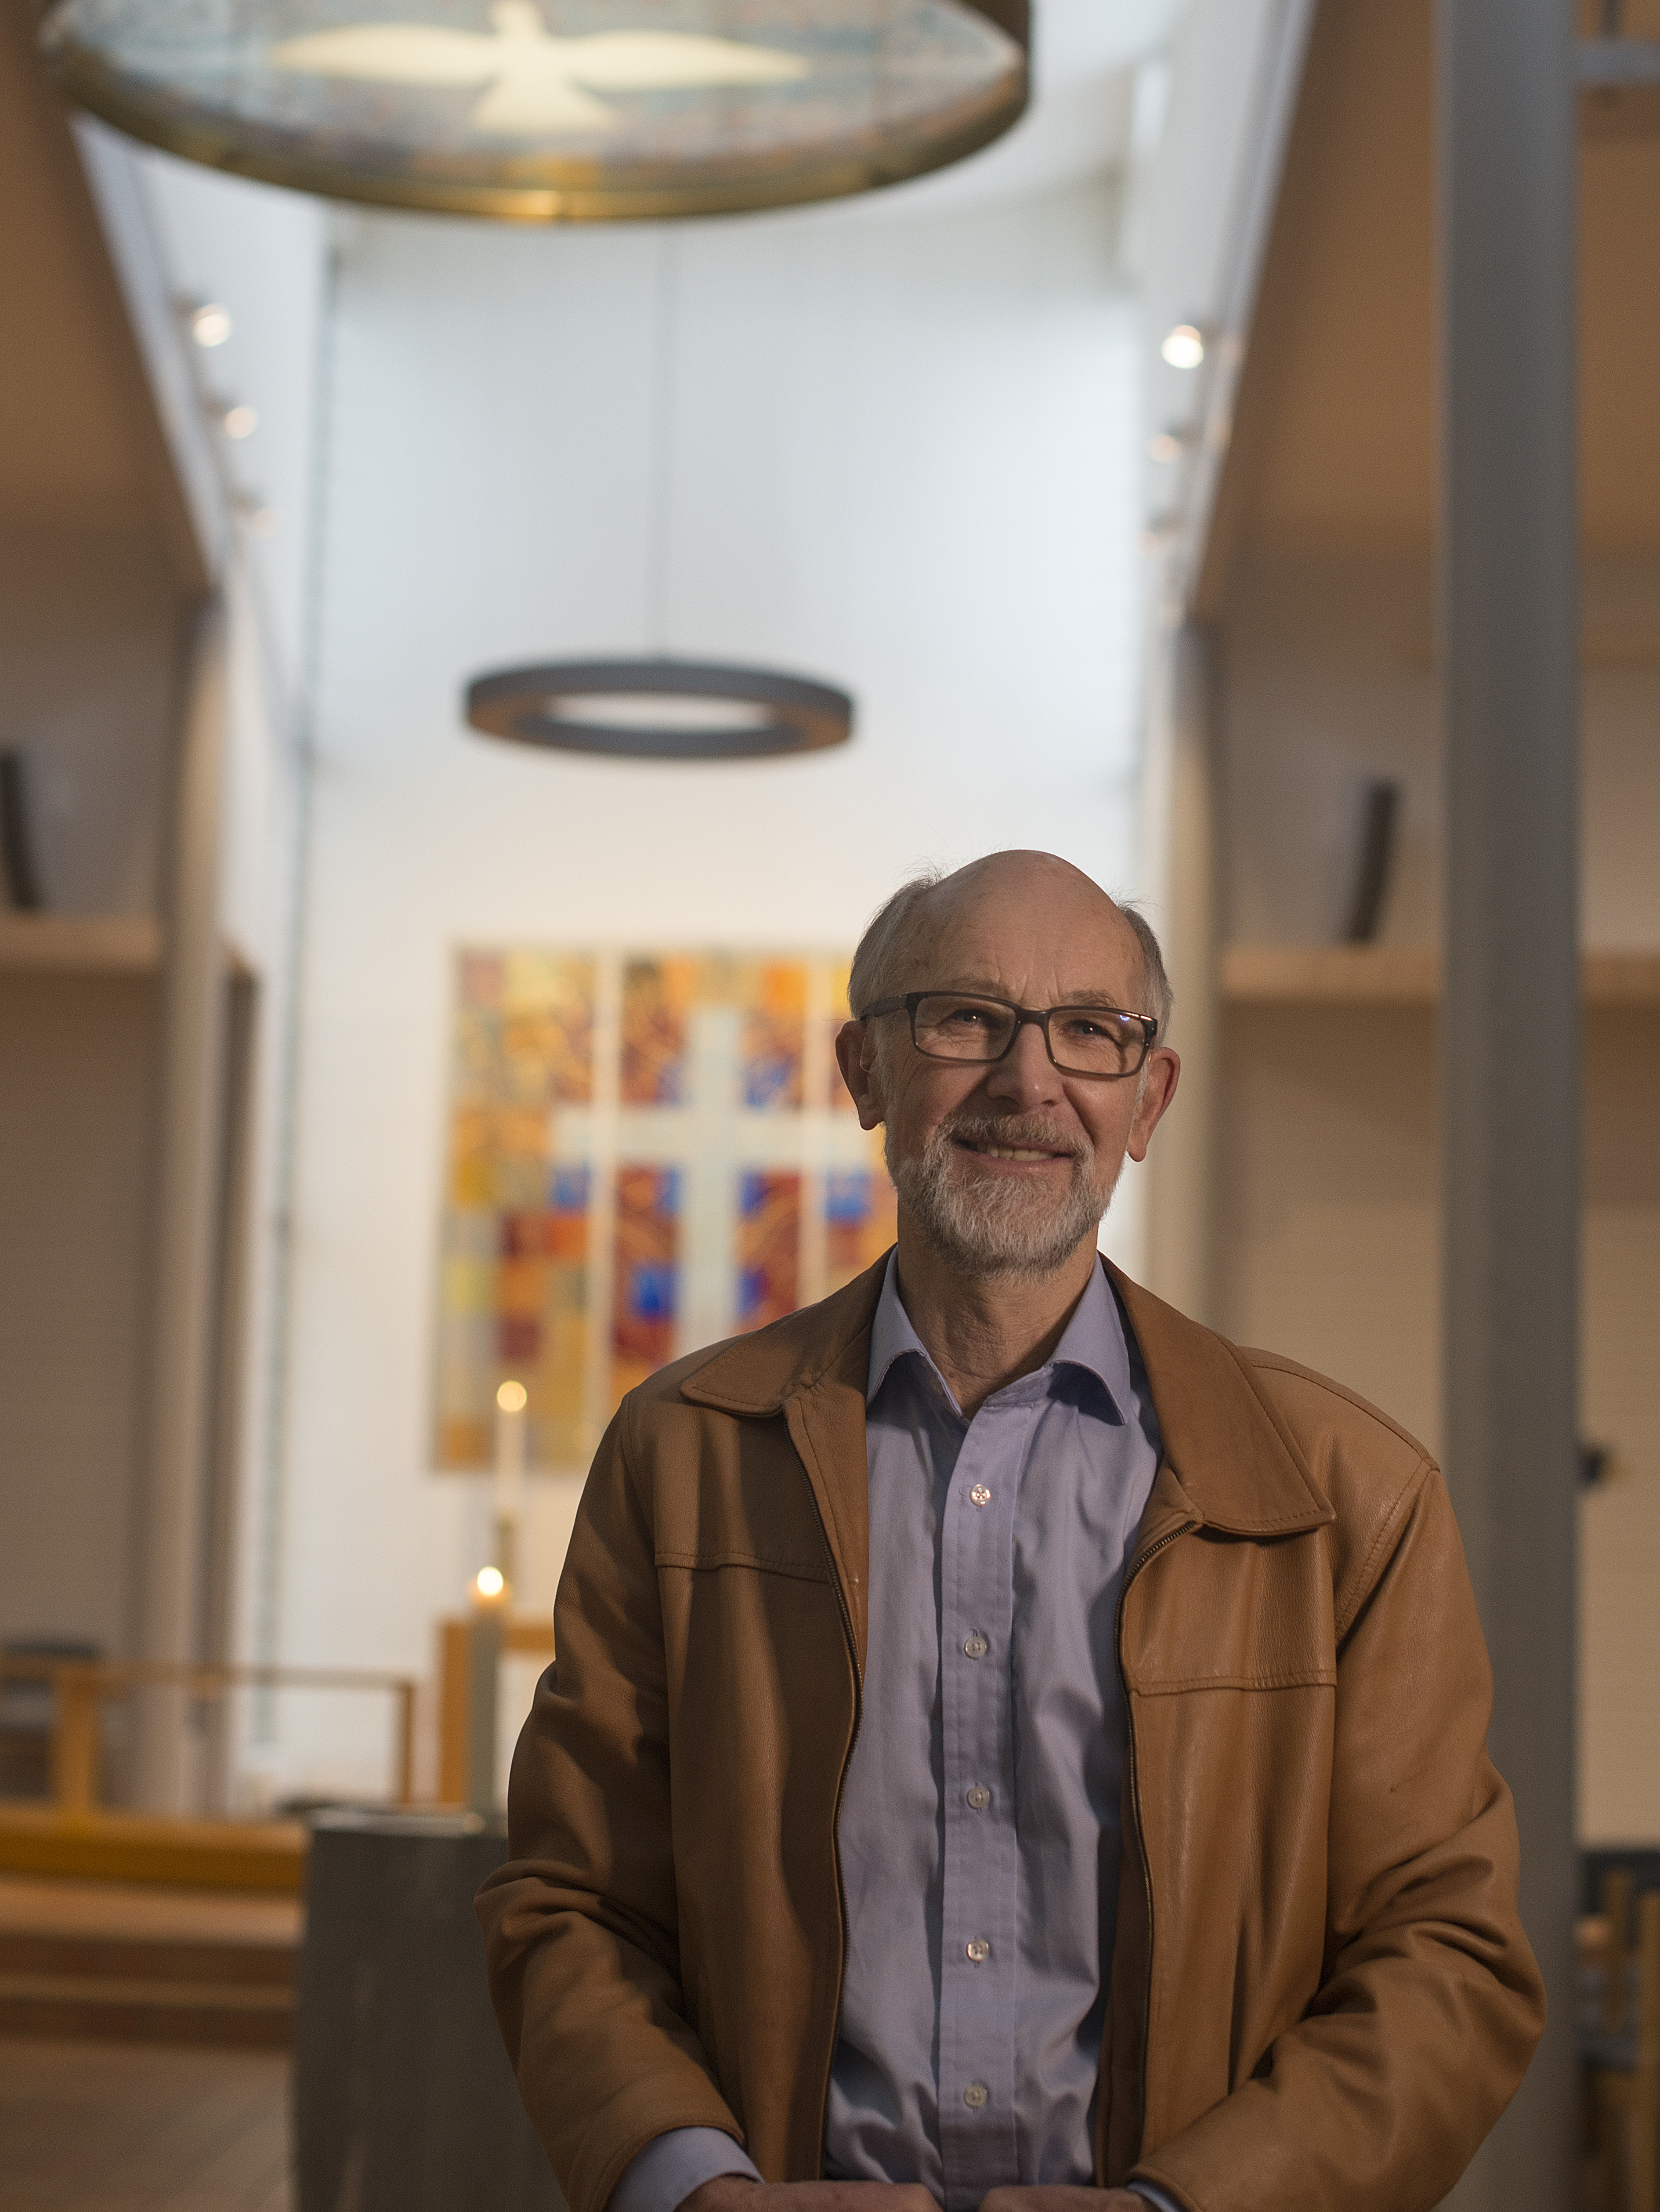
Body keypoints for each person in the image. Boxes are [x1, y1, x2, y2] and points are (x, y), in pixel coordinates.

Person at [480, 851, 1544, 2212]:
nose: (1026, 1081)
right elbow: (573, 1905)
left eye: (1089, 1031)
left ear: (1146, 1100)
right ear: (863, 1070)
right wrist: (696, 2193)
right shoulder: (679, 1456)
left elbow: (1446, 1954)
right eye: (965, 1018)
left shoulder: (1349, 1499)